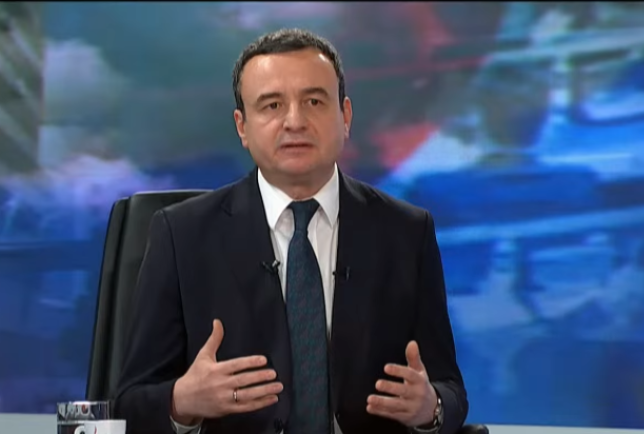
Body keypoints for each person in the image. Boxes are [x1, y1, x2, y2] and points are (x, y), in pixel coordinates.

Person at [114, 28, 468, 434]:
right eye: (272, 105)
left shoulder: (407, 233)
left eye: (314, 101)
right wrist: (182, 402)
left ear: (345, 116)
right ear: (242, 127)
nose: (295, 121)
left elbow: (450, 390)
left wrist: (430, 408)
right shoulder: (182, 236)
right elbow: (130, 402)